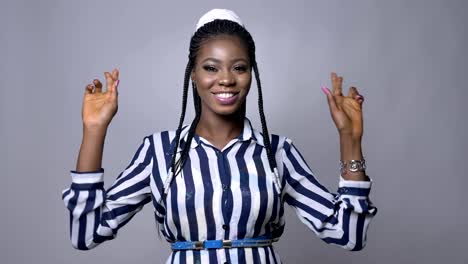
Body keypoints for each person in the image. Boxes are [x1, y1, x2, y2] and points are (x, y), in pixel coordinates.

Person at [61, 8, 377, 264]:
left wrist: (350, 138)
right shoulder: (158, 152)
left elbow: (348, 234)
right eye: (211, 68)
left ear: (251, 74)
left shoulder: (277, 152)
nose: (226, 79)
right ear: (193, 75)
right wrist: (94, 130)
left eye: (239, 67)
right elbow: (86, 233)